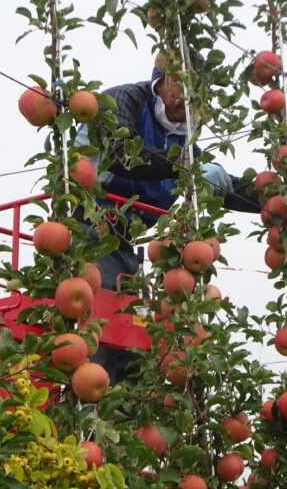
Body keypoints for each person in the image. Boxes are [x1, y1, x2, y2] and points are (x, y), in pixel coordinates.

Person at [73, 66, 261, 382]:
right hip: (88, 226)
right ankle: (92, 408)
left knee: (135, 333)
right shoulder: (120, 100)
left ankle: (120, 411)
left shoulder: (182, 139)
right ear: (162, 82)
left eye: (199, 94)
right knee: (104, 322)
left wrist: (272, 199)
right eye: (183, 87)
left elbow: (218, 183)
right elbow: (124, 155)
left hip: (123, 241)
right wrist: (184, 166)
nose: (189, 100)